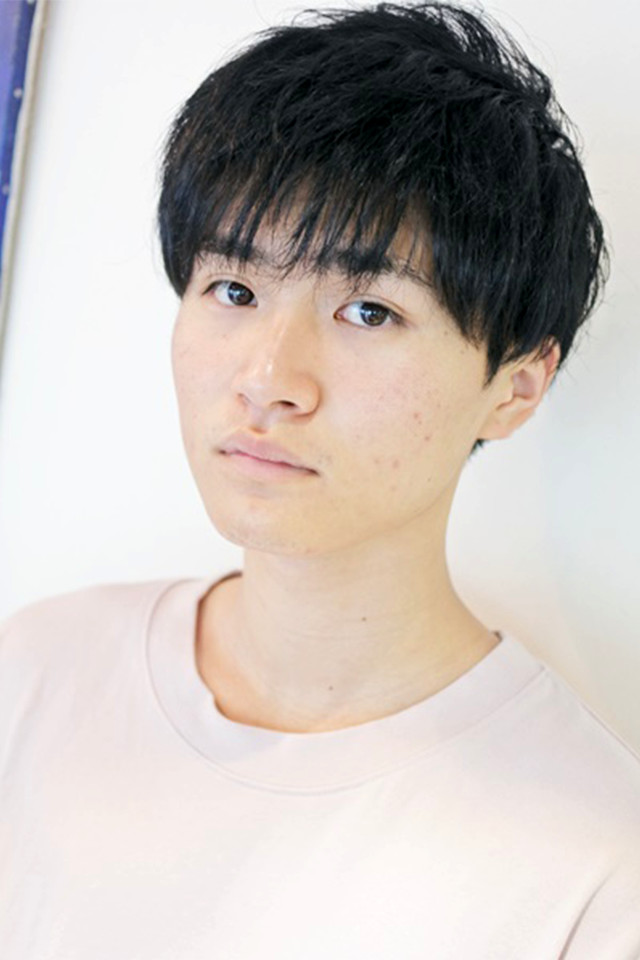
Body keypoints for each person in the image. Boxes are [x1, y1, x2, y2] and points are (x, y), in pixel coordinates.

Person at [2, 2, 639, 957]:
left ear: (516, 386)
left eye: (370, 311)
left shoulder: (595, 867)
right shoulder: (36, 673)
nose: (268, 379)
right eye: (235, 290)